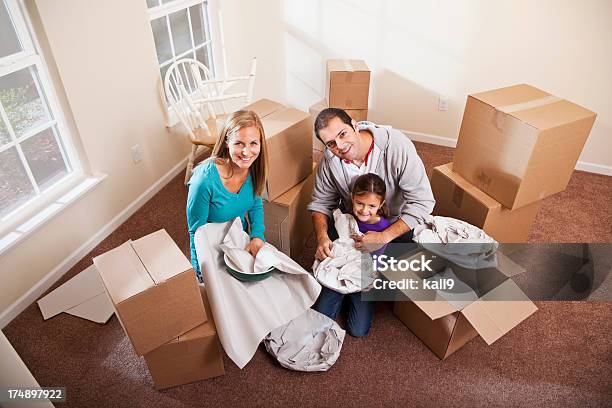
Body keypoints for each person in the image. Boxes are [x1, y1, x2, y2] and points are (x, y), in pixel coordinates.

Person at [308, 108, 435, 336]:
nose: (340, 146)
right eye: (331, 144)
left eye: (343, 134)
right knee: (321, 314)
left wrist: (383, 237)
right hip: (350, 231)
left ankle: (362, 287)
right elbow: (321, 203)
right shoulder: (330, 160)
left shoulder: (396, 146)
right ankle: (343, 288)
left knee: (358, 329)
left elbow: (423, 202)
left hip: (390, 228)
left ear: (355, 125)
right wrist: (322, 236)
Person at [187, 110, 269, 281]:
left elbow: (255, 206)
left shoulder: (255, 170)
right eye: (239, 143)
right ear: (226, 142)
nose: (246, 152)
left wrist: (257, 236)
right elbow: (196, 232)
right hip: (212, 251)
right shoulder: (203, 181)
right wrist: (201, 272)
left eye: (253, 143)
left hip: (238, 243)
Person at [312, 173, 390, 337]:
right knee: (319, 319)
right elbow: (336, 245)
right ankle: (340, 293)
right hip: (340, 267)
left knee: (358, 330)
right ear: (352, 197)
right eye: (359, 203)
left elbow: (376, 263)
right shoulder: (344, 217)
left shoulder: (383, 227)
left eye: (372, 206)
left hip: (363, 273)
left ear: (381, 204)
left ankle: (351, 295)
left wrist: (369, 249)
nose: (364, 210)